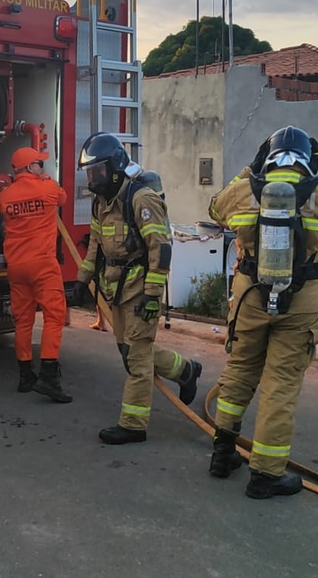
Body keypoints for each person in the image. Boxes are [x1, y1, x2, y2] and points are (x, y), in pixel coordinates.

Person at [208, 126, 318, 499]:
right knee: (279, 384)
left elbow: (214, 206)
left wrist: (247, 171)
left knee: (239, 371)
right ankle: (266, 474)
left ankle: (222, 453)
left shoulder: (243, 191)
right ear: (308, 160)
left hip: (250, 295)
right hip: (301, 301)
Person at [72, 132, 203, 445]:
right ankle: (185, 371)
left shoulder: (141, 199)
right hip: (114, 288)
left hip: (140, 288)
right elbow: (95, 246)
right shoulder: (101, 203)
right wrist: (82, 279)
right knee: (128, 349)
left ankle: (133, 424)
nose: (93, 178)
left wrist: (153, 296)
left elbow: (161, 248)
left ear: (115, 167)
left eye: (97, 171)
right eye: (89, 172)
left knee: (137, 357)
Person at [0, 147, 72, 403]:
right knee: (54, 316)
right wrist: (45, 179)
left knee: (23, 320)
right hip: (42, 264)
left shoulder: (5, 197)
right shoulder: (48, 188)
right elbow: (63, 199)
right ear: (30, 168)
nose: (42, 167)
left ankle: (25, 376)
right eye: (39, 164)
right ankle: (49, 376)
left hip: (16, 266)